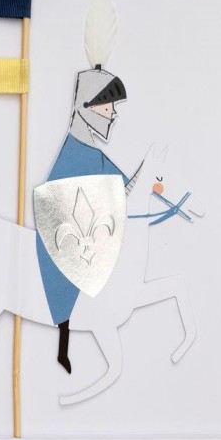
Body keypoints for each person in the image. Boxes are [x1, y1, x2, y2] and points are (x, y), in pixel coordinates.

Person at [36, 65, 142, 373]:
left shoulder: (94, 155)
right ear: (86, 107)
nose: (113, 113)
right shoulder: (75, 154)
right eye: (107, 107)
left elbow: (126, 189)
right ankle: (64, 345)